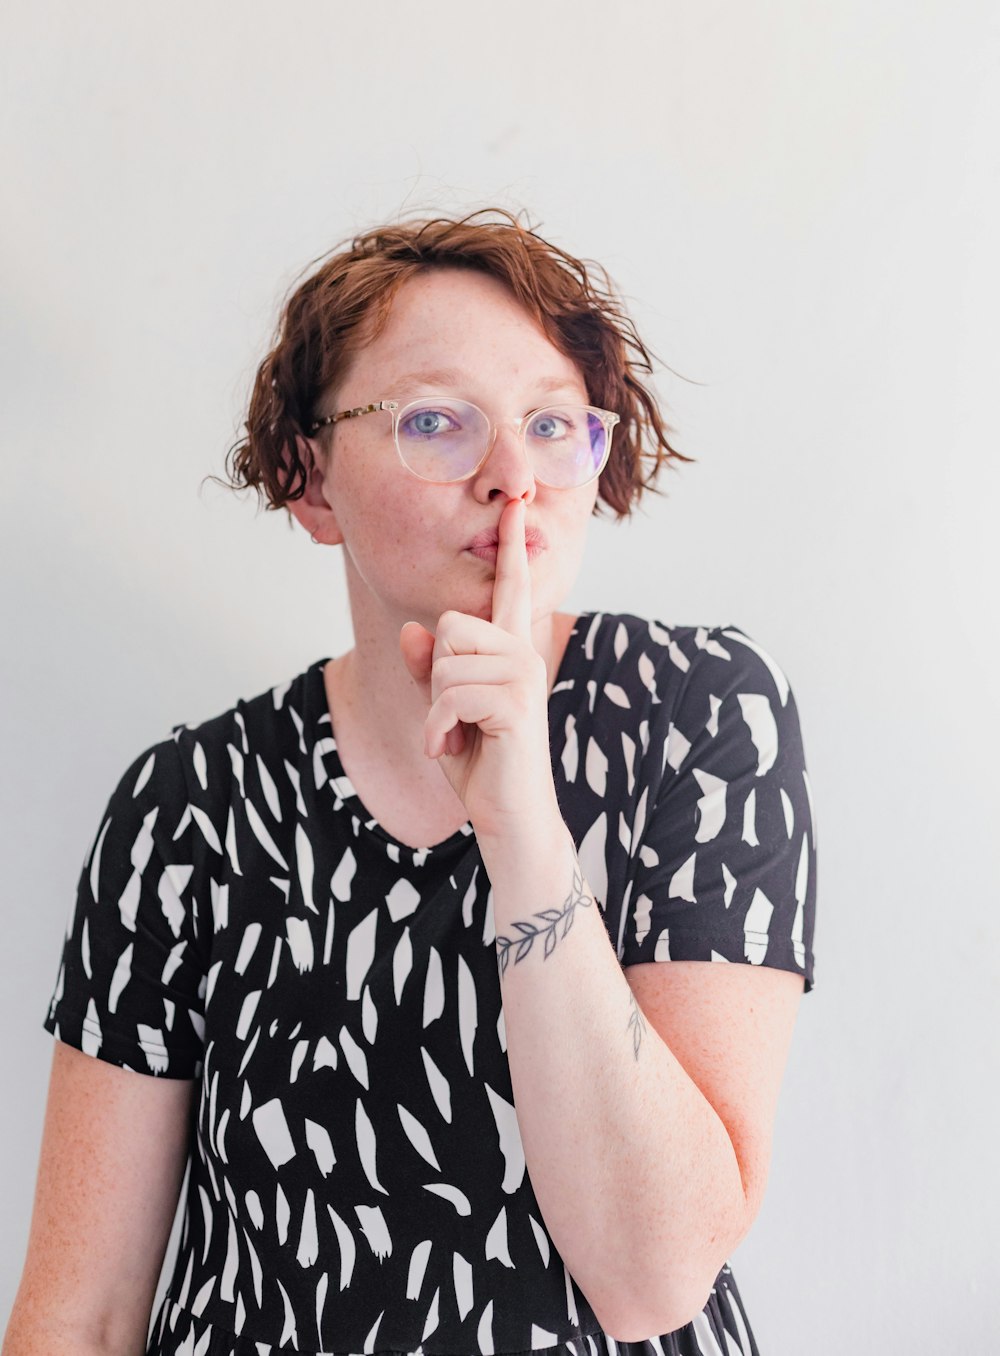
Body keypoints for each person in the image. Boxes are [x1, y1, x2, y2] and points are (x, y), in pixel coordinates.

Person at [6, 208, 817, 1356]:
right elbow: (77, 1318)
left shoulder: (696, 716)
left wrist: (522, 824)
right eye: (436, 423)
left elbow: (655, 1276)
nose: (511, 478)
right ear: (308, 477)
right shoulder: (187, 807)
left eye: (550, 424)